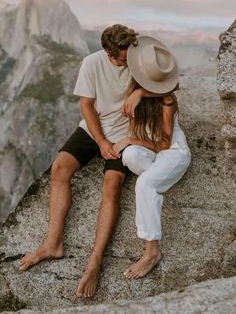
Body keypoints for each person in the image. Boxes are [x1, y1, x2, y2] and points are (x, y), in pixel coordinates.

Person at [19, 24, 154, 298]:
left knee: (111, 186)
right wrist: (101, 142)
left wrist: (143, 92)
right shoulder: (91, 63)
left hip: (127, 134)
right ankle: (53, 243)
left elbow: (171, 84)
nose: (128, 63)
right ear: (108, 53)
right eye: (123, 58)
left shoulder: (140, 59)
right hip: (94, 129)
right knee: (60, 168)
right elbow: (86, 106)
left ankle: (95, 262)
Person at [113, 36, 191, 279]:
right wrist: (139, 94)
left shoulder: (167, 101)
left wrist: (130, 139)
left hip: (172, 153)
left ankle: (152, 252)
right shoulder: (134, 93)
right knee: (130, 156)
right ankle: (156, 184)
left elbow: (164, 143)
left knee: (144, 183)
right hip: (152, 154)